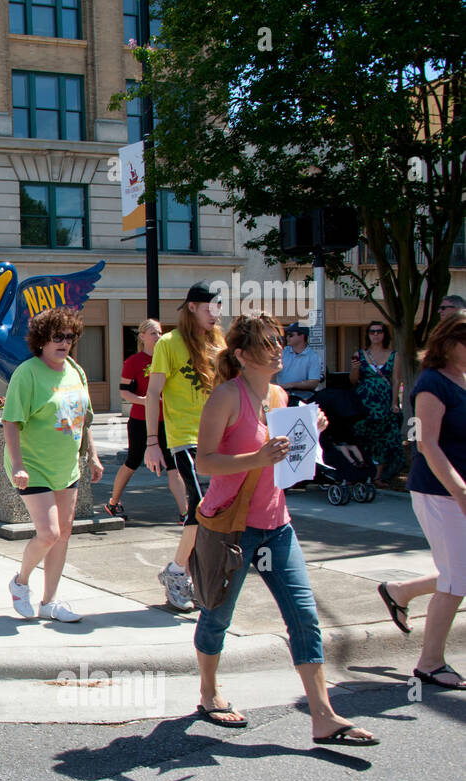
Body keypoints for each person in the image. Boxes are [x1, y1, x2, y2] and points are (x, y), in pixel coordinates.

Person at [190, 311, 377, 745]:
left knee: (304, 617)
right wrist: (257, 459)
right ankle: (208, 691)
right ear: (242, 354)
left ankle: (324, 716)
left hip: (277, 524)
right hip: (231, 527)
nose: (278, 349)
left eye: (278, 341)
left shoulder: (279, 396)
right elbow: (205, 462)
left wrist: (312, 432)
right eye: (268, 343)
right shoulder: (225, 398)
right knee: (217, 615)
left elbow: (290, 462)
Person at [377, 309, 466, 690]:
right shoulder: (432, 382)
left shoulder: (462, 378)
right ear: (448, 342)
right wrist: (460, 491)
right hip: (440, 493)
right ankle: (430, 663)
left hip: (457, 492)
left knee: (458, 571)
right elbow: (426, 444)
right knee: (456, 580)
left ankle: (401, 591)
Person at [3, 307, 104, 622]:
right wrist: (18, 464)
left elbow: (82, 420)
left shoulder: (75, 370)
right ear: (41, 340)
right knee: (48, 533)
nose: (64, 343)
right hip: (33, 466)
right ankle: (20, 583)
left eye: (69, 337)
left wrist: (93, 456)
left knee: (63, 534)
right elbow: (10, 421)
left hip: (67, 467)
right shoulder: (28, 373)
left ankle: (49, 602)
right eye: (56, 337)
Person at [145, 281, 226, 611]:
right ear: (192, 307)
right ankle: (177, 571)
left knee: (219, 508)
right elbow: (153, 394)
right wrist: (152, 442)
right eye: (209, 307)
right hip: (186, 440)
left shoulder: (219, 342)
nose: (214, 314)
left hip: (221, 437)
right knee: (201, 505)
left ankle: (197, 570)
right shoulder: (168, 343)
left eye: (218, 308)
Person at [105, 319, 187, 521]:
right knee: (132, 461)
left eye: (159, 332)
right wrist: (144, 401)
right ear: (142, 337)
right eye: (153, 333)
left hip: (165, 420)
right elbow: (124, 392)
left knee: (173, 465)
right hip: (140, 420)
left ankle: (185, 513)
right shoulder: (134, 361)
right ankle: (113, 503)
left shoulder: (168, 357)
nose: (157, 336)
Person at [349, 319, 404, 485]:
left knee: (383, 437)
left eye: (379, 331)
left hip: (384, 401)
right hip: (364, 401)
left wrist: (394, 403)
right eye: (372, 331)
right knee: (362, 435)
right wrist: (355, 368)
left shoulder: (394, 355)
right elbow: (353, 380)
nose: (375, 334)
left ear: (384, 334)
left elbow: (396, 381)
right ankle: (361, 472)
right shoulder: (360, 354)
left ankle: (378, 476)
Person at [276, 322, 322, 404]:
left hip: (304, 398)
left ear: (302, 336)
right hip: (280, 396)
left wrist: (291, 385)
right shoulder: (282, 352)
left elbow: (313, 382)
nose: (287, 338)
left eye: (291, 335)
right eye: (286, 335)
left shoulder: (313, 356)